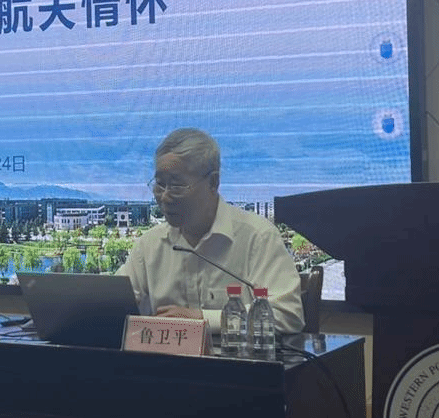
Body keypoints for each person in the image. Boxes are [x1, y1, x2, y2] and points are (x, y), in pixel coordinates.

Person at [117, 127, 305, 333]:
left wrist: (203, 319)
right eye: (160, 184)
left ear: (213, 182)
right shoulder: (150, 244)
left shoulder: (257, 237)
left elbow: (288, 314)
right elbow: (110, 303)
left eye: (177, 186)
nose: (164, 196)